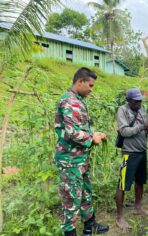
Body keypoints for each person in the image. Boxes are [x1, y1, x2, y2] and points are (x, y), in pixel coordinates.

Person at [53, 67, 109, 236]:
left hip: (80, 158)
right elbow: (71, 132)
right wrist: (91, 138)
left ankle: (89, 226)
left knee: (85, 192)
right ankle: (70, 232)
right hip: (70, 160)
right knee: (71, 198)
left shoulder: (77, 99)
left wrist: (94, 134)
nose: (91, 89)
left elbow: (79, 128)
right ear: (80, 82)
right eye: (90, 85)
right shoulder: (69, 101)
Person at [115, 88, 148, 230]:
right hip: (129, 153)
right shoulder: (122, 110)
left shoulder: (142, 109)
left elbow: (145, 129)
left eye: (140, 101)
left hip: (142, 151)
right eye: (136, 101)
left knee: (140, 181)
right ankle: (119, 217)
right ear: (129, 100)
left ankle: (138, 208)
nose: (139, 103)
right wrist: (143, 126)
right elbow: (124, 131)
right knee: (123, 185)